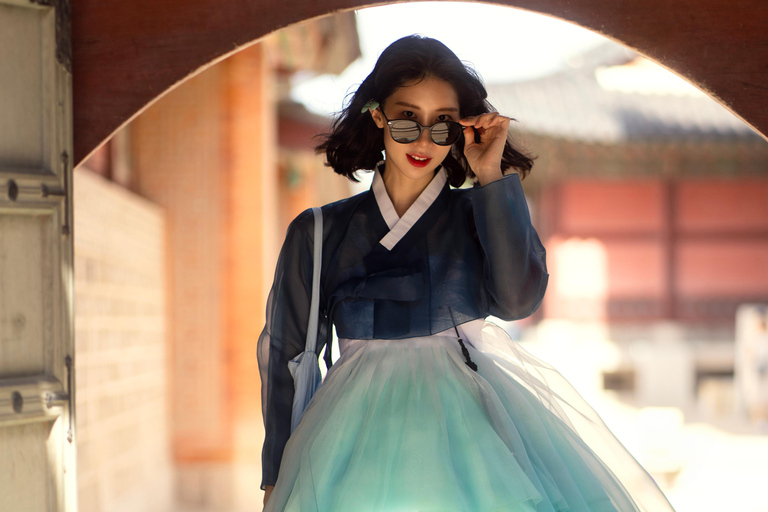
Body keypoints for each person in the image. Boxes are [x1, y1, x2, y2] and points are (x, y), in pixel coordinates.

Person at [258, 35, 674, 512]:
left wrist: (491, 175)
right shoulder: (318, 231)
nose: (424, 141)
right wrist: (276, 477)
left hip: (472, 434)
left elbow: (518, 301)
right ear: (377, 116)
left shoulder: (480, 212)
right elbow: (288, 356)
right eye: (407, 118)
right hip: (347, 438)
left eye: (442, 124)